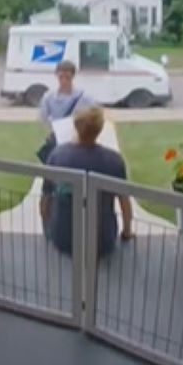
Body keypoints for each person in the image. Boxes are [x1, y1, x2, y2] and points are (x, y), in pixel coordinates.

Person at [41, 106, 134, 256]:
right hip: (102, 242)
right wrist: (127, 232)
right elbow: (124, 203)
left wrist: (47, 229)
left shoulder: (57, 155)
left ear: (75, 126)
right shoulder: (114, 161)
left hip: (63, 239)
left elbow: (46, 198)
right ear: (100, 128)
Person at [36, 60, 95, 163]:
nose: (64, 80)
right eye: (61, 77)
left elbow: (94, 114)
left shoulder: (84, 97)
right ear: (56, 76)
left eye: (67, 77)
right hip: (58, 138)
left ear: (73, 76)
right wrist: (55, 128)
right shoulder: (49, 97)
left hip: (77, 138)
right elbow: (43, 117)